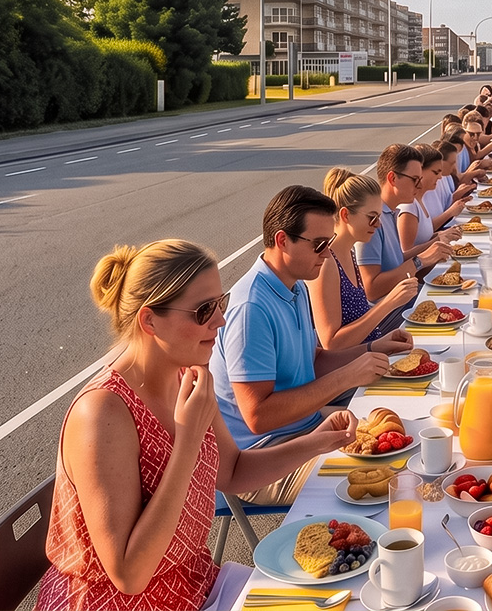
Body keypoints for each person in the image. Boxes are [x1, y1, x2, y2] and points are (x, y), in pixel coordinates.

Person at [36, 240, 358, 611]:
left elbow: (232, 471)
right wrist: (188, 441)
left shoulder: (187, 375)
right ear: (149, 320)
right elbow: (128, 574)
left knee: (343, 594)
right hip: (120, 603)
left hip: (194, 583)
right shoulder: (102, 413)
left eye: (219, 304)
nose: (220, 320)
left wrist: (318, 442)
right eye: (204, 311)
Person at [211, 186, 401, 504]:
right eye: (319, 245)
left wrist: (375, 348)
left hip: (306, 427)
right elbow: (258, 416)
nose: (327, 254)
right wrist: (347, 377)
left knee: (399, 441)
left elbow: (310, 361)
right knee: (383, 485)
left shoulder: (294, 285)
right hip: (263, 455)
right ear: (283, 240)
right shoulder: (251, 308)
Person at [310, 168, 421, 352]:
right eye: (372, 218)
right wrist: (389, 303)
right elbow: (331, 343)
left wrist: (383, 341)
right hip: (355, 369)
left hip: (367, 354)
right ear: (346, 215)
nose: (378, 225)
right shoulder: (326, 262)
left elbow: (359, 322)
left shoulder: (349, 253)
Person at [358, 144, 452, 298]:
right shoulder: (373, 221)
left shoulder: (391, 212)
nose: (420, 185)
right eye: (415, 180)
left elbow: (396, 261)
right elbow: (371, 290)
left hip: (403, 299)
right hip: (390, 312)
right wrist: (420, 260)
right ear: (393, 178)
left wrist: (434, 246)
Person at [397, 144, 463, 248]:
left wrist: (442, 234)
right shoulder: (408, 207)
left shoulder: (420, 201)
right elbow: (406, 254)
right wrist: (438, 239)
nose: (440, 177)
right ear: (420, 171)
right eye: (435, 172)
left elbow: (422, 238)